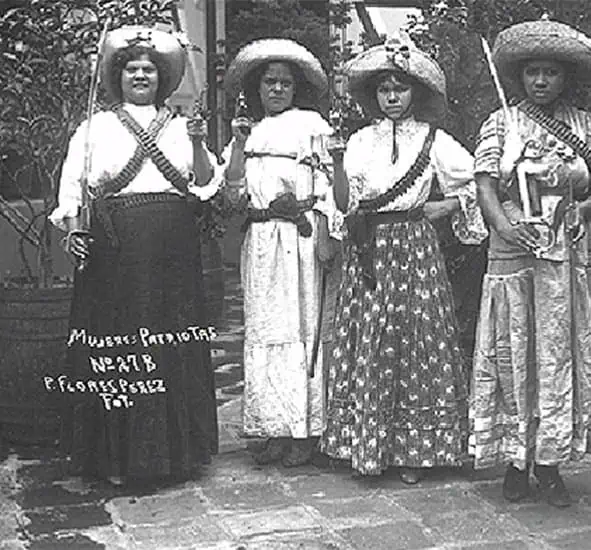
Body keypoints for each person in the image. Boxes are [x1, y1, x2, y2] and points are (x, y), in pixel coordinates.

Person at [470, 17, 591, 508]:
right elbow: (484, 186)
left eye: (551, 73)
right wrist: (503, 225)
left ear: (565, 78)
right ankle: (516, 462)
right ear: (518, 76)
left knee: (559, 352)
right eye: (532, 72)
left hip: (568, 254)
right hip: (514, 253)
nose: (541, 81)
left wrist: (584, 207)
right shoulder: (501, 122)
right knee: (515, 349)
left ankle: (551, 463)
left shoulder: (583, 124)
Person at [51, 26, 219, 485]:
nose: (140, 75)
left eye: (148, 69)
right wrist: (74, 231)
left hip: (172, 247)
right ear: (117, 76)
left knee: (171, 341)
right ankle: (116, 456)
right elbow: (74, 189)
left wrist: (201, 142)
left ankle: (177, 455)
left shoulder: (185, 127)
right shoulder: (95, 127)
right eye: (131, 69)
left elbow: (203, 185)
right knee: (119, 341)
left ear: (161, 78)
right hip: (114, 248)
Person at [321, 34, 487, 485]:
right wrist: (336, 163)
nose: (392, 97)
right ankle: (368, 442)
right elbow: (343, 202)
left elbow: (476, 180)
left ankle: (417, 450)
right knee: (370, 338)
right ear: (372, 96)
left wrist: (447, 206)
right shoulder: (357, 141)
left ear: (417, 92)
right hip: (368, 248)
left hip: (414, 246)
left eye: (401, 88)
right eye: (383, 89)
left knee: (416, 339)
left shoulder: (434, 140)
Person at [218, 39, 339, 466]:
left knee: (302, 327)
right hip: (262, 241)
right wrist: (235, 144)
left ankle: (305, 430)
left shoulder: (312, 125)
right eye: (269, 81)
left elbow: (328, 188)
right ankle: (271, 426)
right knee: (265, 328)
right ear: (257, 87)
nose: (277, 89)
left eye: (285, 82)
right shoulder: (246, 132)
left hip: (300, 238)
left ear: (296, 88)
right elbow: (231, 193)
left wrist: (325, 236)